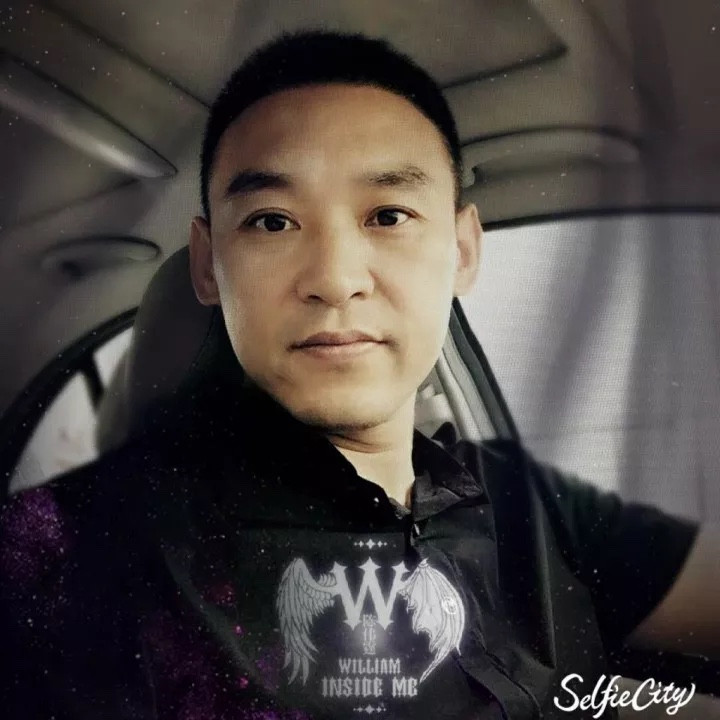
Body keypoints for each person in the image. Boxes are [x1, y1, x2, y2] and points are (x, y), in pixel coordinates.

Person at [0, 30, 717, 720]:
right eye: (272, 222)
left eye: (388, 215)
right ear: (208, 265)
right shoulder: (66, 557)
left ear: (463, 251)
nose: (336, 279)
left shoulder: (529, 500)